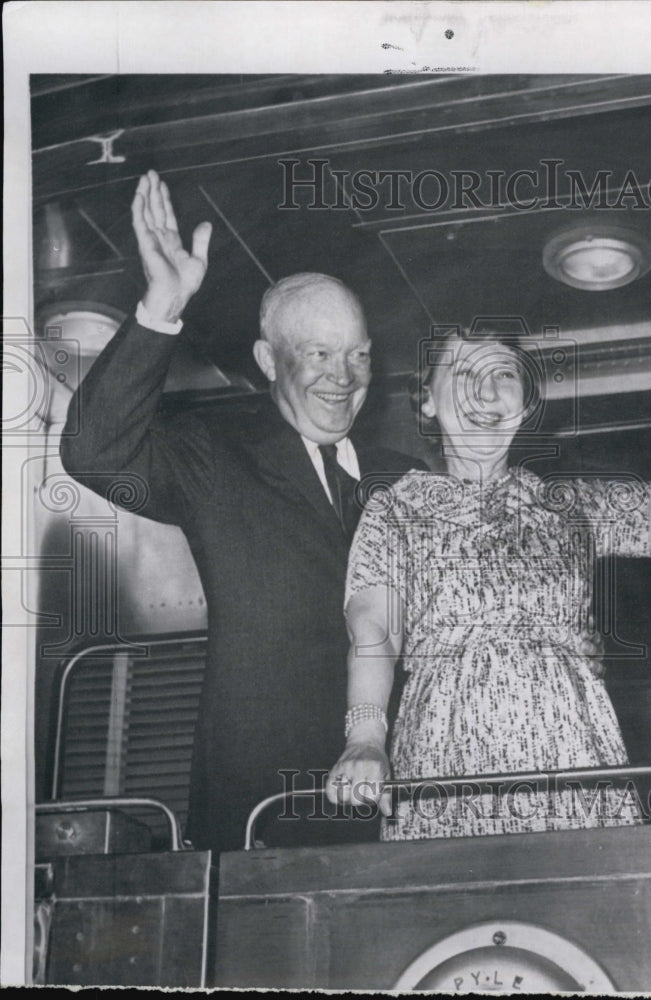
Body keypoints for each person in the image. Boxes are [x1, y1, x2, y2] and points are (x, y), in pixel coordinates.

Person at [327, 258, 651, 840]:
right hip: (445, 763)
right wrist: (363, 738)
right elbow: (374, 631)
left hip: (574, 761)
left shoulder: (571, 507)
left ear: (526, 404)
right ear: (426, 401)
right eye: (461, 372)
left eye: (504, 374)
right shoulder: (397, 508)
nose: (486, 390)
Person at [60, 171, 423, 852]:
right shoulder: (217, 461)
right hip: (265, 815)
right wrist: (161, 306)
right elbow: (94, 453)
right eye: (319, 355)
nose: (344, 378)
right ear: (268, 361)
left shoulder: (408, 482)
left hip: (406, 808)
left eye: (360, 356)